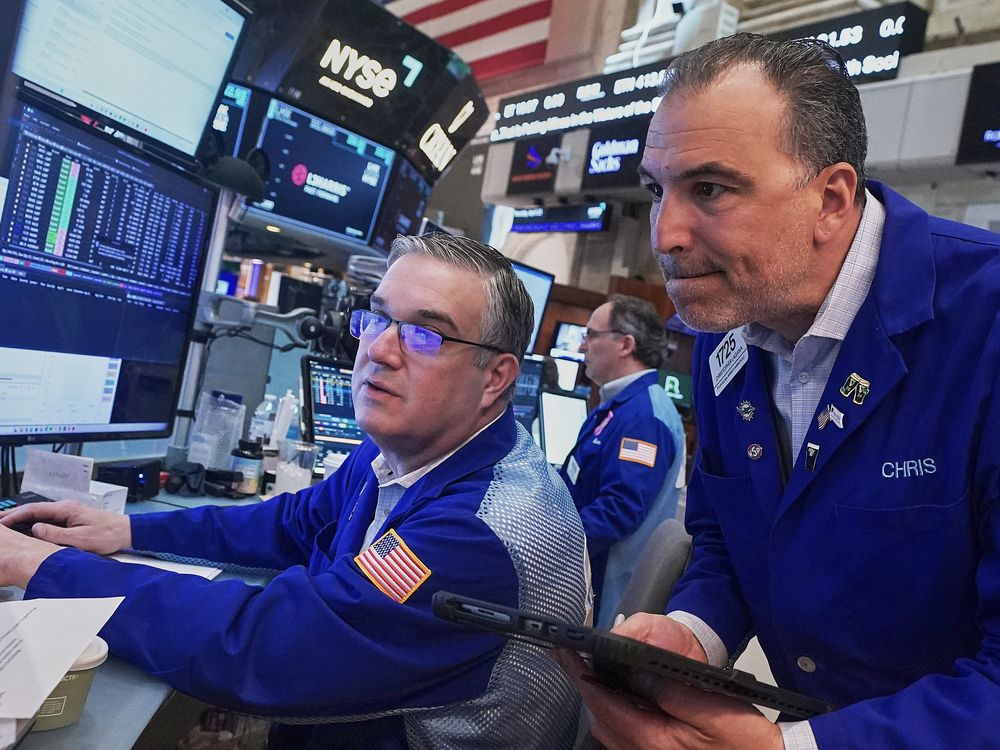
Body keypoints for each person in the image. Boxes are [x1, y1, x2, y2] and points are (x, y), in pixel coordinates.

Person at [555, 32, 1000, 750]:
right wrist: (690, 636)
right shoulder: (723, 328)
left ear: (831, 198)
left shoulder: (986, 323)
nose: (664, 234)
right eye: (655, 190)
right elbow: (727, 545)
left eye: (710, 189)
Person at [0, 234, 591, 750]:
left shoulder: (480, 532)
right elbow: (295, 522)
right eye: (378, 318)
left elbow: (263, 648)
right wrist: (128, 530)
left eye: (426, 336)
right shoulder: (409, 448)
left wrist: (44, 566)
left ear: (495, 378)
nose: (379, 350)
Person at [558, 294, 684, 627]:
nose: (582, 346)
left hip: (604, 594)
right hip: (588, 576)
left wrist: (548, 539)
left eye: (591, 335)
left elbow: (618, 511)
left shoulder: (644, 417)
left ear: (625, 344)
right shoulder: (619, 405)